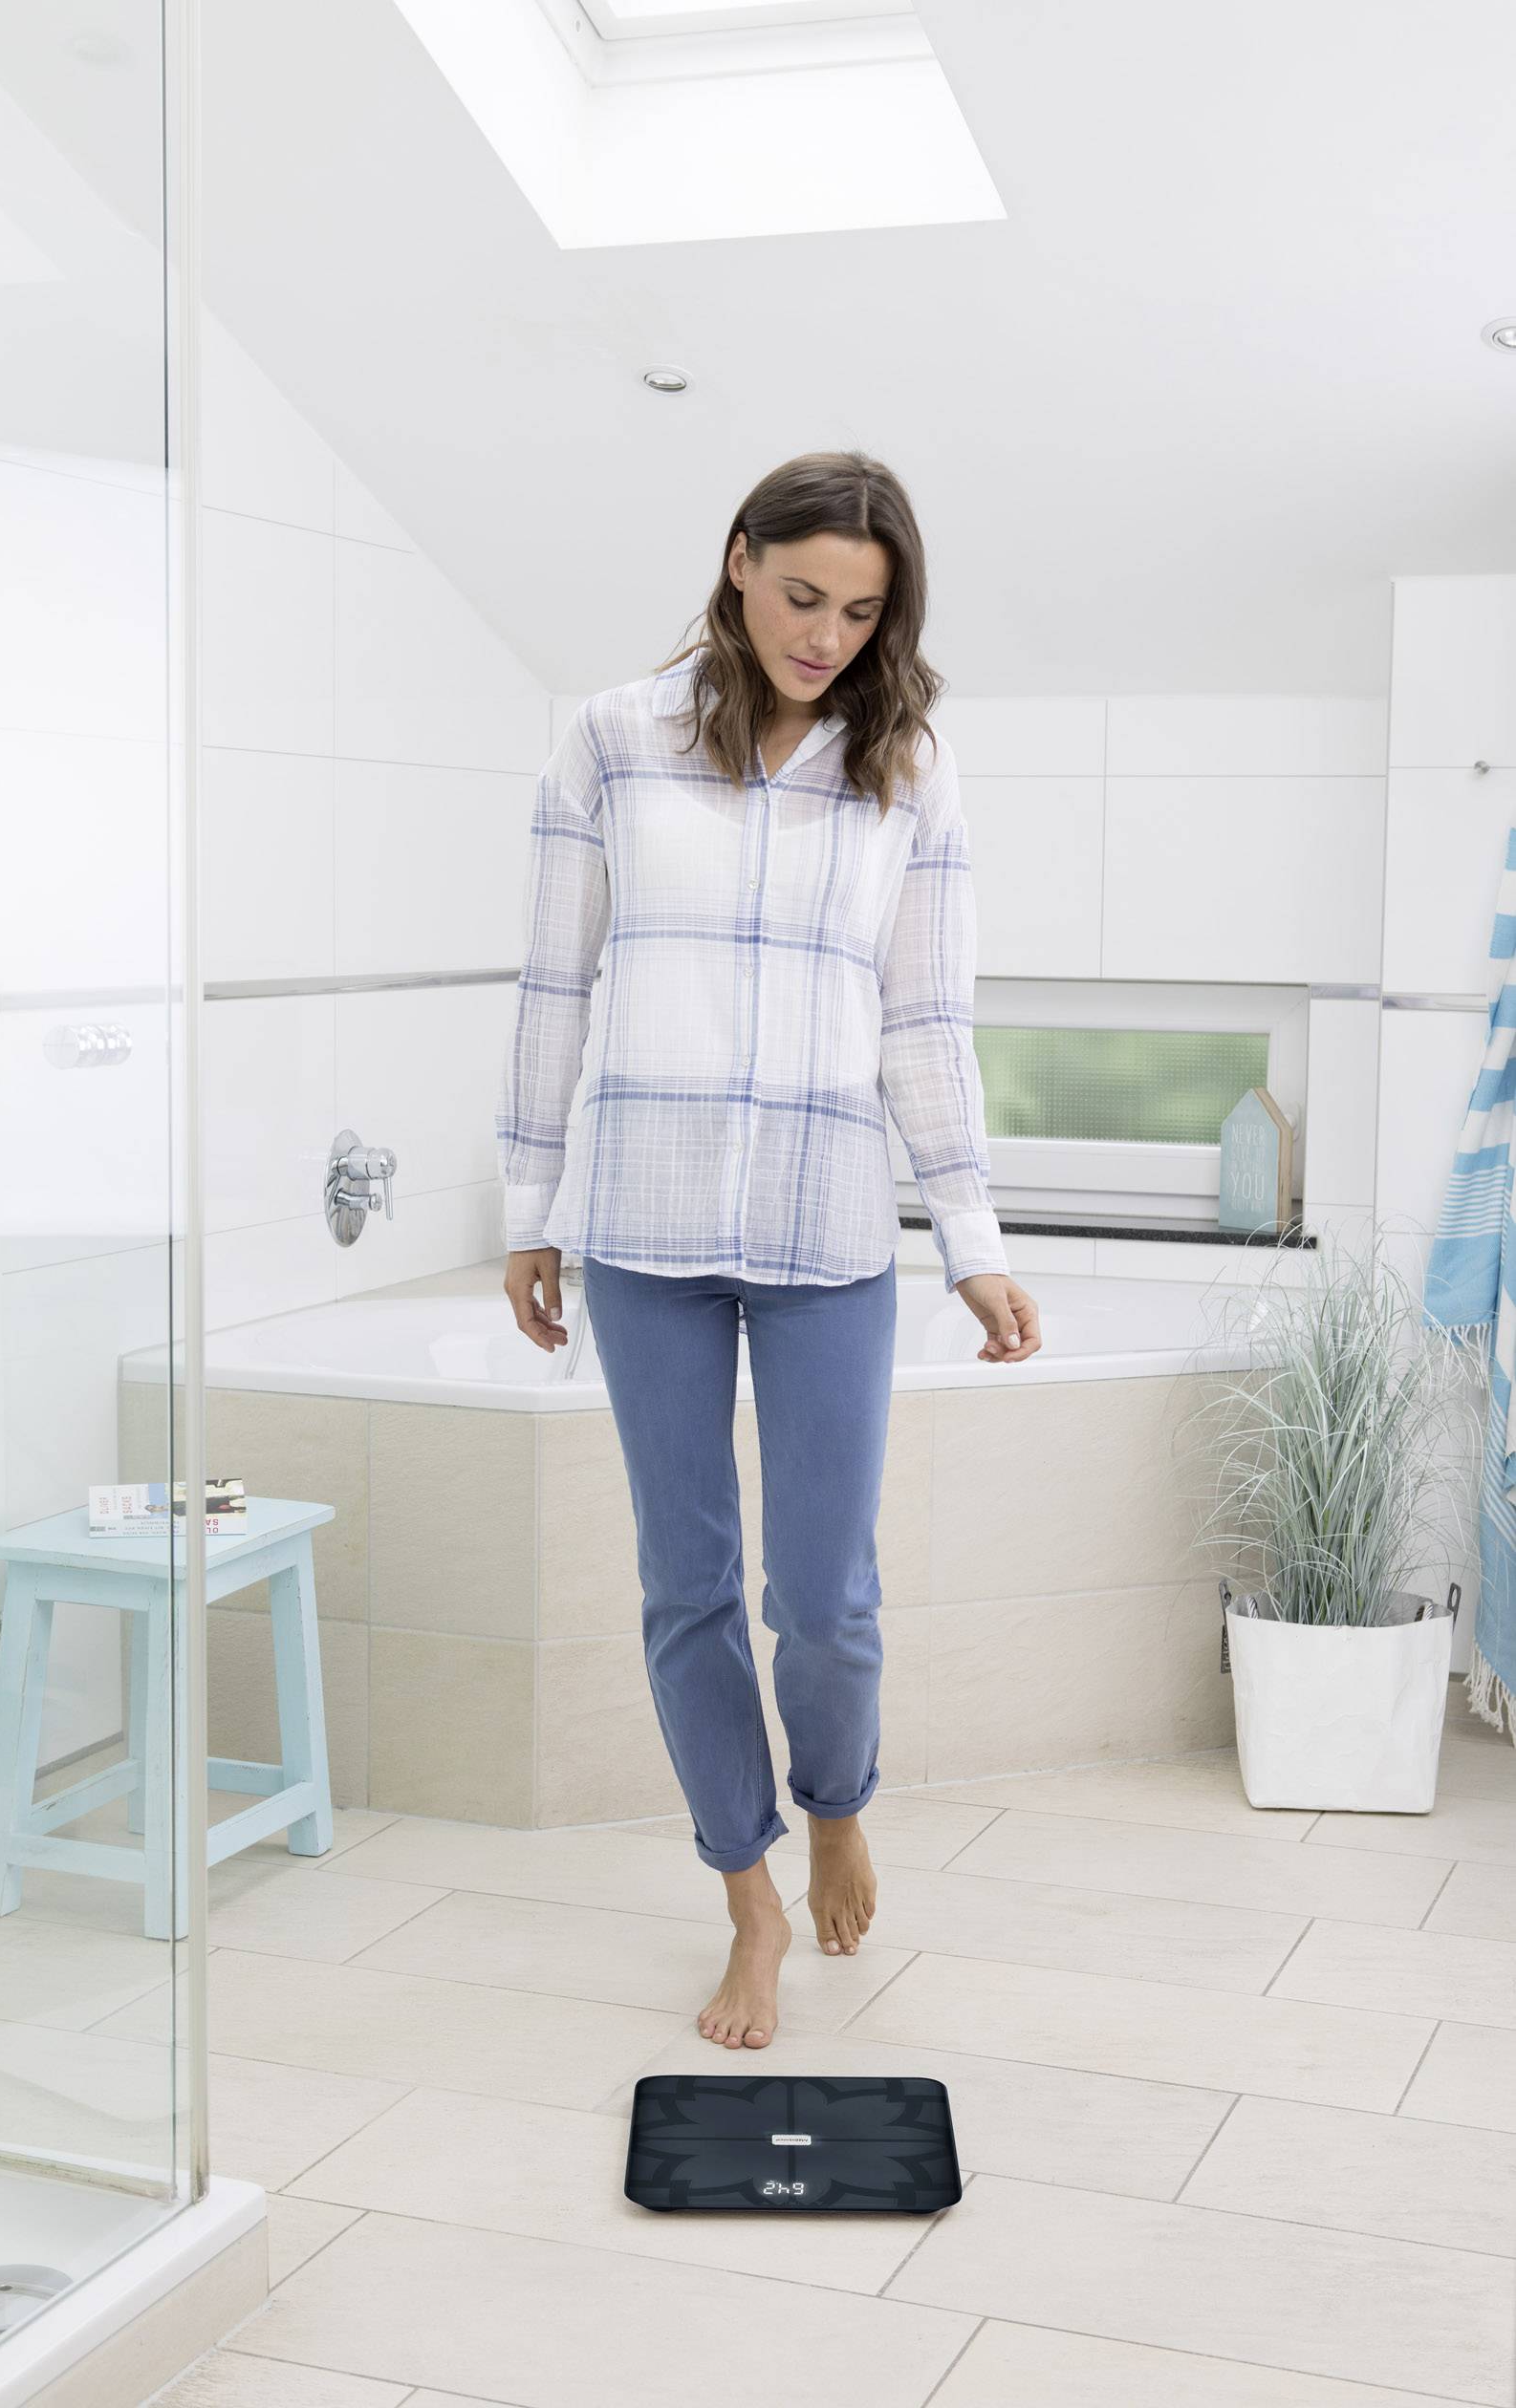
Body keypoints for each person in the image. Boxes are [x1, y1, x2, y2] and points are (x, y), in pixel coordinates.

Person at [497, 449, 1042, 2052]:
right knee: (685, 1591)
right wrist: (527, 1211)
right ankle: (744, 1900)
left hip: (823, 1227)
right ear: (737, 562)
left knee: (825, 1597)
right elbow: (552, 987)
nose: (826, 636)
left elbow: (925, 1019)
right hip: (643, 1227)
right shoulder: (607, 740)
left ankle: (838, 1803)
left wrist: (972, 1238)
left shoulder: (906, 767)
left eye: (861, 612)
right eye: (802, 595)